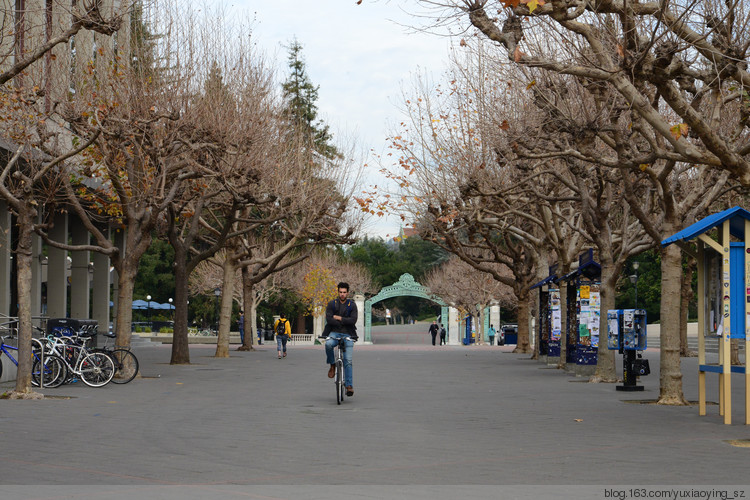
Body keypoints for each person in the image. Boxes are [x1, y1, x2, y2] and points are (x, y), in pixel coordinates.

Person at [324, 282, 358, 397]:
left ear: (347, 293)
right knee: (328, 344)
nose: (342, 294)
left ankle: (349, 385)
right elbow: (329, 319)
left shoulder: (352, 305)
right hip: (334, 332)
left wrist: (339, 318)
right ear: (338, 292)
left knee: (348, 361)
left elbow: (353, 320)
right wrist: (344, 321)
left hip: (348, 334)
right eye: (340, 292)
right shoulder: (332, 304)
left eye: (344, 292)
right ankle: (332, 365)